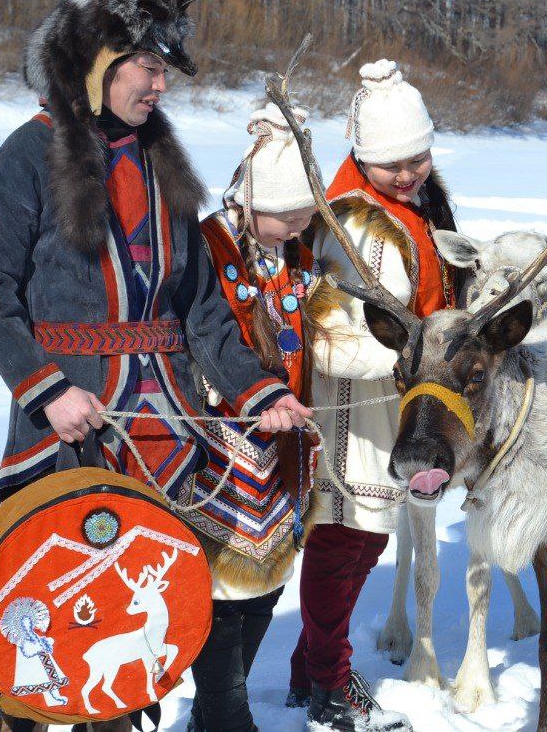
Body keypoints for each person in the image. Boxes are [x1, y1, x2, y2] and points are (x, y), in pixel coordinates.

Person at [0, 0, 309, 513]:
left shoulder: (161, 163)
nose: (162, 85)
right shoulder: (23, 157)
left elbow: (199, 306)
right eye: (149, 67)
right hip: (73, 427)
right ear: (101, 64)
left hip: (171, 433)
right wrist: (46, 391)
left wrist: (257, 389)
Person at [285, 59, 463, 732]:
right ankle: (330, 685)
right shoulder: (352, 223)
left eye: (416, 156)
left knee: (366, 540)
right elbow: (326, 333)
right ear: (363, 158)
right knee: (343, 539)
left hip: (400, 397)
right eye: (392, 163)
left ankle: (312, 666)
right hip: (352, 406)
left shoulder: (417, 206)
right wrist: (402, 356)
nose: (408, 172)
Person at [182, 102, 337, 731]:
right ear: (249, 203)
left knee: (270, 573)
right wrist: (241, 395)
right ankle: (221, 709)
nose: (299, 226)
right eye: (287, 214)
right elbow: (194, 333)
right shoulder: (205, 245)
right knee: (219, 581)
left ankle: (233, 692)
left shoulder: (296, 254)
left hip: (284, 449)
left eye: (307, 214)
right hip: (219, 447)